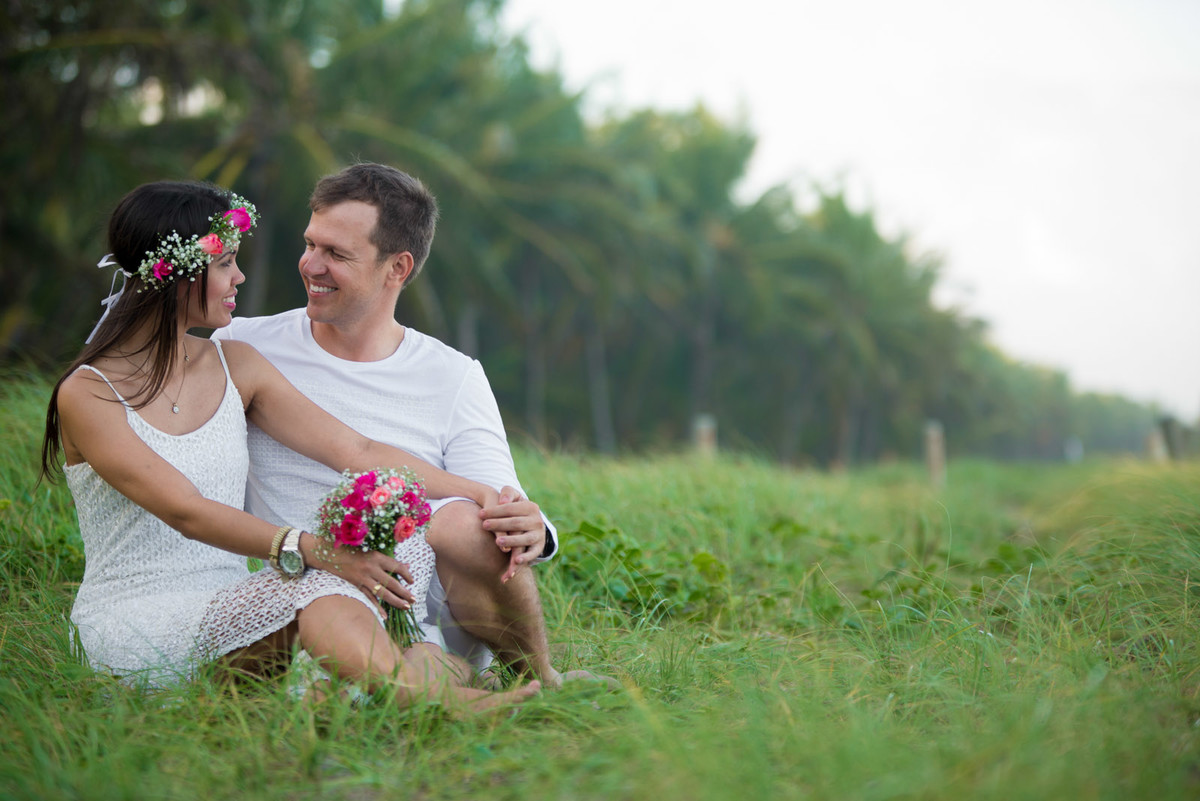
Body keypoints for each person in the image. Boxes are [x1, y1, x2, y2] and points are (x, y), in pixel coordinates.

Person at [40, 180, 540, 714]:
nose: (240, 276)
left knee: (353, 571)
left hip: (230, 600)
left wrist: (481, 494)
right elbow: (186, 510)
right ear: (178, 274)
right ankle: (434, 699)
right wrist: (320, 551)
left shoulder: (235, 363)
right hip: (139, 617)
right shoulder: (89, 392)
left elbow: (359, 448)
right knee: (321, 581)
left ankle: (439, 677)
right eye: (226, 263)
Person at [216, 163, 608, 688]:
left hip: (425, 599)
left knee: (471, 523)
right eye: (311, 244)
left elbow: (495, 497)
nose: (311, 264)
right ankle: (440, 685)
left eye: (337, 254)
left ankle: (538, 678)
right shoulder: (243, 347)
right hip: (304, 586)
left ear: (397, 268)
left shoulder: (453, 376)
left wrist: (537, 527)